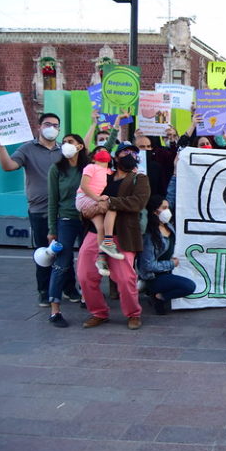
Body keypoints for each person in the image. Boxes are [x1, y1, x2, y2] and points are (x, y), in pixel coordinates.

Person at [0, 113, 64, 306]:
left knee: (64, 252)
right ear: (38, 127)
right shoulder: (27, 149)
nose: (52, 128)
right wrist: (0, 143)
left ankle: (68, 287)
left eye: (56, 125)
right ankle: (44, 290)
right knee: (44, 252)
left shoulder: (63, 151)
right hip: (39, 211)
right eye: (48, 124)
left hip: (62, 211)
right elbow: (8, 166)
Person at [77, 143, 150, 330]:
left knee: (125, 279)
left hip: (123, 234)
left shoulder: (139, 178)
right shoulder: (104, 175)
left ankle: (133, 314)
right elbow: (88, 194)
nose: (130, 155)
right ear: (116, 157)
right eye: (125, 152)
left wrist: (110, 202)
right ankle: (98, 312)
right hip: (96, 232)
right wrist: (87, 210)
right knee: (85, 275)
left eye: (134, 153)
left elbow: (138, 202)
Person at [45, 134, 89, 327]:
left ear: (80, 146)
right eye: (64, 142)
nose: (66, 145)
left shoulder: (88, 168)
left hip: (88, 219)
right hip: (66, 220)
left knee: (88, 262)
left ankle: (87, 298)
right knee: (62, 263)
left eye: (70, 142)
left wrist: (112, 128)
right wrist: (52, 229)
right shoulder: (56, 169)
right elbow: (52, 201)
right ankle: (55, 309)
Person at [138, 195, 196, 315]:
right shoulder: (150, 236)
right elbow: (147, 265)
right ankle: (158, 297)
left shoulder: (168, 226)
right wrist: (171, 264)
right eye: (164, 208)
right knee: (189, 286)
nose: (167, 211)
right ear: (155, 211)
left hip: (167, 272)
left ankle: (158, 297)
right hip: (154, 277)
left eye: (167, 207)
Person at [75, 146, 122, 274]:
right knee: (111, 206)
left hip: (94, 200)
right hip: (85, 198)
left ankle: (101, 259)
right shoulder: (90, 167)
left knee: (101, 227)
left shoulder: (108, 171)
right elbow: (84, 186)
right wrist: (98, 198)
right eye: (99, 152)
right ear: (93, 158)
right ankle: (108, 243)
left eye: (106, 152)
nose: (103, 153)